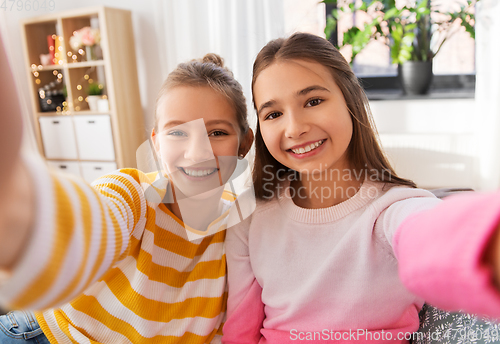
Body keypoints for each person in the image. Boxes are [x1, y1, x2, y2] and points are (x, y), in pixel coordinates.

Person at [222, 32, 500, 344]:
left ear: (350, 100)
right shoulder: (248, 217)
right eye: (273, 114)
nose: (295, 127)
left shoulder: (392, 209)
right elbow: (240, 331)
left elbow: (432, 234)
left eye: (313, 101)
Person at [0, 30, 254, 344]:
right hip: (44, 334)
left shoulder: (241, 225)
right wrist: (17, 213)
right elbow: (87, 230)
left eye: (216, 133)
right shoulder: (131, 193)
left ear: (244, 143)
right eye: (178, 133)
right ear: (156, 143)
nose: (197, 152)